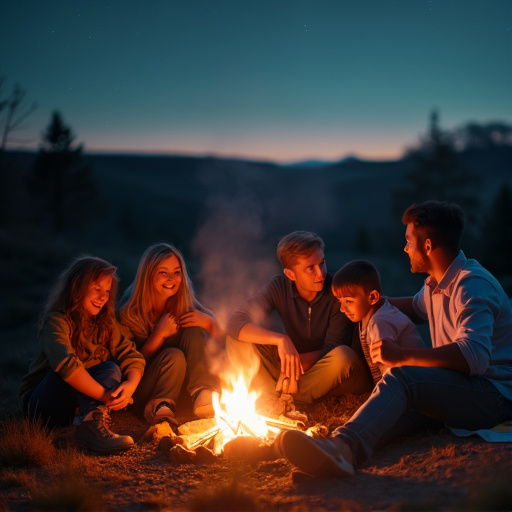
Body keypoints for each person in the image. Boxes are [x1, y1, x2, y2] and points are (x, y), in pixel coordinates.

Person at [278, 200, 512, 478]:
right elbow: (415, 307)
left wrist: (402, 356)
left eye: (409, 242)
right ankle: (331, 459)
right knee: (398, 410)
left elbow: (474, 356)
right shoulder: (436, 285)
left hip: (493, 395)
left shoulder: (472, 285)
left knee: (404, 377)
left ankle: (341, 447)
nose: (405, 249)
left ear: (426, 246)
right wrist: (367, 302)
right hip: (464, 389)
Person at [226, 230, 373, 409]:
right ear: (291, 274)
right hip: (294, 371)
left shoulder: (336, 290)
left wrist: (290, 367)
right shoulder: (279, 286)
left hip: (323, 371)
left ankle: (284, 399)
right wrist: (280, 340)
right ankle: (269, 397)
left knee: (343, 356)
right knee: (236, 338)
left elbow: (331, 348)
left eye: (322, 263)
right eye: (311, 268)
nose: (321, 274)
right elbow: (236, 321)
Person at [19, 256, 145, 454]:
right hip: (44, 404)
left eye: (107, 291)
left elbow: (130, 354)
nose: (103, 297)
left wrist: (130, 386)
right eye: (97, 289)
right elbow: (68, 367)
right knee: (64, 371)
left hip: (76, 404)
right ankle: (90, 425)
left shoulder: (105, 323)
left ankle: (89, 424)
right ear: (77, 287)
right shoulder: (57, 321)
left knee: (111, 369)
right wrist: (106, 397)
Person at [119, 242, 221, 424]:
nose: (171, 279)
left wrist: (208, 321)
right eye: (163, 273)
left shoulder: (182, 302)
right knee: (174, 356)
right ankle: (160, 406)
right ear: (148, 275)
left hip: (179, 382)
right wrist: (158, 335)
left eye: (177, 272)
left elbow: (221, 334)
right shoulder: (129, 311)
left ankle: (202, 392)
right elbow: (128, 365)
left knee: (192, 327)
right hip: (140, 387)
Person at [331, 259, 424, 386]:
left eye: (349, 301)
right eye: (339, 301)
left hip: (413, 383)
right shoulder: (370, 314)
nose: (342, 309)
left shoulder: (380, 323)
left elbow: (391, 374)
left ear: (373, 297)